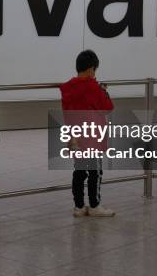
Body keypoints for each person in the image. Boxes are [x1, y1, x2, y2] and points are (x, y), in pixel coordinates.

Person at [60, 50, 115, 217]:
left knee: (79, 171)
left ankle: (79, 206)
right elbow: (107, 107)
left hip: (76, 137)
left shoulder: (68, 87)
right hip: (92, 137)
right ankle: (94, 205)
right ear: (91, 69)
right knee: (95, 171)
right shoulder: (92, 87)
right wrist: (103, 90)